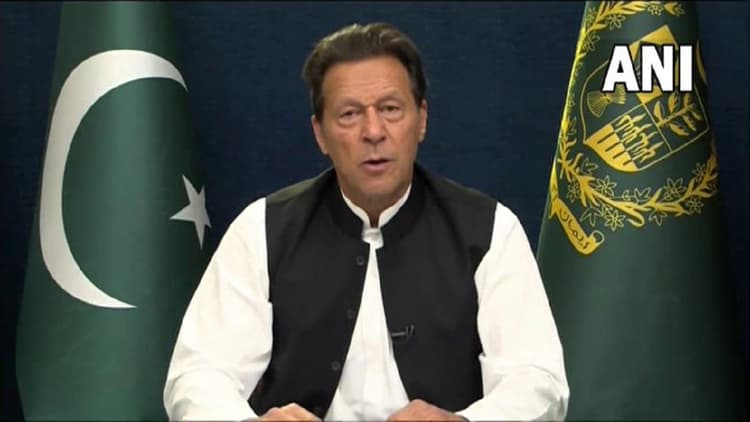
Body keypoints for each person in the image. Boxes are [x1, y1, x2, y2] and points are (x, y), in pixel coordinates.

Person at [163, 22, 569, 421]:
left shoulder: (489, 230)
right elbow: (198, 374)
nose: (373, 131)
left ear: (421, 119)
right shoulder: (262, 230)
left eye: (390, 109)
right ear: (320, 133)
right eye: (349, 114)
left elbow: (537, 380)